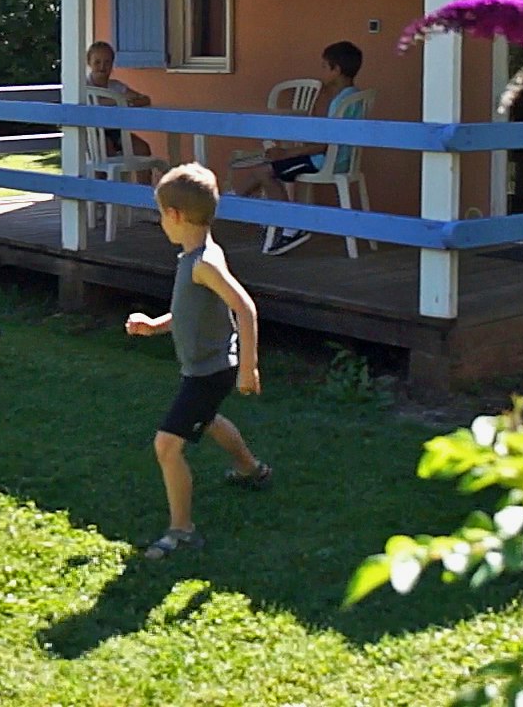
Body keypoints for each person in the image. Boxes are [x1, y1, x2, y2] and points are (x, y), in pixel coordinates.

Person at [125, 163, 269, 560]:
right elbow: (188, 311)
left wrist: (248, 367)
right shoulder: (196, 256)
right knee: (207, 420)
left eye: (160, 214)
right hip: (206, 367)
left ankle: (182, 530)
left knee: (167, 446)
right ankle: (251, 469)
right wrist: (155, 325)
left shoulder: (204, 263)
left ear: (174, 215)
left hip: (210, 372)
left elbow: (245, 308)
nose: (161, 222)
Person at [228, 40, 364, 255]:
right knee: (263, 166)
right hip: (341, 159)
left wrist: (287, 153)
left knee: (264, 171)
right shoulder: (353, 96)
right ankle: (233, 200)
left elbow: (321, 145)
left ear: (336, 69)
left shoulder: (338, 102)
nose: (321, 72)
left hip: (322, 161)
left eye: (324, 66)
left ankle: (291, 225)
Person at [84, 41, 154, 160]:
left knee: (142, 149)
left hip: (115, 131)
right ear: (89, 63)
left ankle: (140, 174)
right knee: (106, 152)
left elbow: (145, 99)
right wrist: (118, 101)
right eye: (97, 62)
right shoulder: (84, 86)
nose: (102, 67)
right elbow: (91, 103)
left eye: (107, 62)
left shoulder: (116, 86)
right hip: (92, 133)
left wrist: (129, 103)